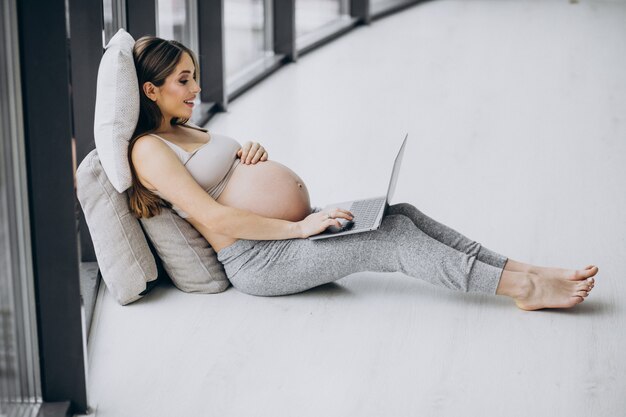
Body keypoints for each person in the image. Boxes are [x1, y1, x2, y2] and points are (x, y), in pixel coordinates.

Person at [127, 35, 598, 311]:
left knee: (399, 213)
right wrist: (299, 227)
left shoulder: (183, 128)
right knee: (387, 240)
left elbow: (222, 180)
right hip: (260, 260)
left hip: (287, 234)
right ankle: (524, 289)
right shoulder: (149, 149)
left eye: (194, 76)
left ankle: (518, 267)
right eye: (183, 80)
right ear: (150, 89)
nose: (196, 88)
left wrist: (244, 152)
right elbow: (216, 217)